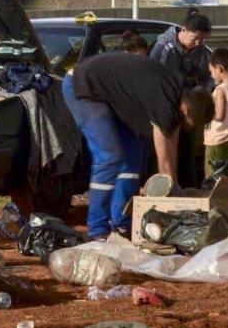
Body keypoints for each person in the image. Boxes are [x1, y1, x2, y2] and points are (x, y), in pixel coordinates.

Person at [63, 53, 213, 239]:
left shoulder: (180, 93)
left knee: (133, 158)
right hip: (84, 87)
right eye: (189, 123)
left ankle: (123, 222)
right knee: (109, 156)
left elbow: (171, 143)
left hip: (111, 96)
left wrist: (175, 185)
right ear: (185, 110)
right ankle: (98, 228)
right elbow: (164, 165)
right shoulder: (164, 101)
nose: (186, 128)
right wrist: (175, 203)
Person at [149, 7, 214, 188]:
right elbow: (156, 80)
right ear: (183, 30)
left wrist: (200, 93)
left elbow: (208, 78)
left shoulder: (202, 51)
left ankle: (188, 189)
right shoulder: (164, 48)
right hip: (167, 108)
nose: (199, 42)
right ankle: (165, 188)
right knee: (165, 156)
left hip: (189, 109)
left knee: (187, 153)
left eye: (203, 39)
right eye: (196, 38)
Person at [204, 48, 228, 177]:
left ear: (219, 69)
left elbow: (219, 115)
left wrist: (205, 115)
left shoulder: (220, 90)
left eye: (212, 72)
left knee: (212, 177)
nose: (211, 75)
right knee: (226, 175)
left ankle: (212, 197)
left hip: (216, 139)